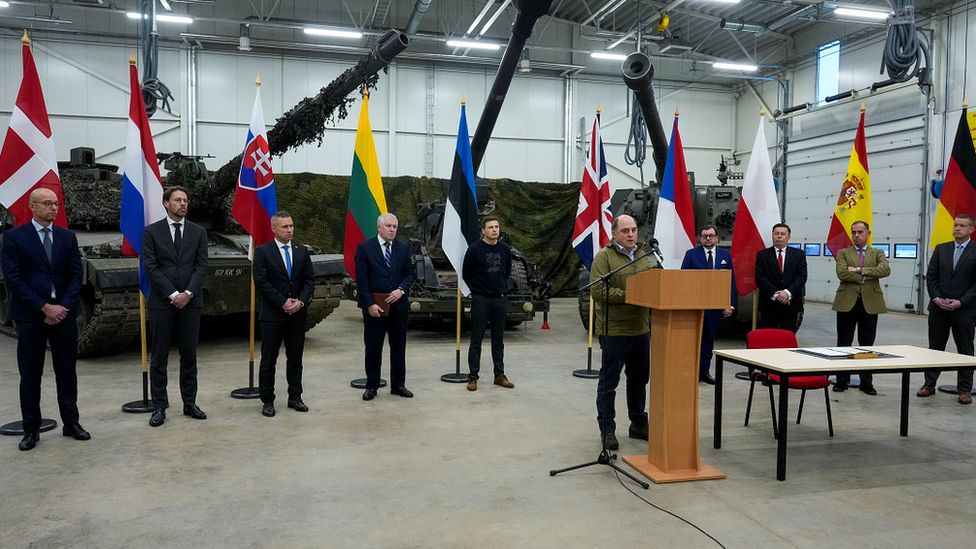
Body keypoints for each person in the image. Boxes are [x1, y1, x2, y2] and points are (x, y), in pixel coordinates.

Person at [1, 188, 89, 451]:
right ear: (32, 206)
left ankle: (71, 423)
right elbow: (13, 278)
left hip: (64, 314)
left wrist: (62, 306)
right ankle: (31, 429)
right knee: (30, 375)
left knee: (67, 372)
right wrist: (44, 307)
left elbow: (76, 275)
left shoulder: (66, 237)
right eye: (47, 204)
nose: (53, 208)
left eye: (56, 204)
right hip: (30, 316)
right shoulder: (14, 238)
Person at [142, 186, 209, 427]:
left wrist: (188, 293)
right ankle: (159, 406)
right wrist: (172, 293)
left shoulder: (198, 232)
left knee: (189, 355)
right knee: (159, 356)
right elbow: (151, 267)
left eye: (185, 200)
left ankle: (189, 403)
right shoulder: (151, 232)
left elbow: (201, 265)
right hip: (162, 302)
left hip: (191, 303)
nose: (183, 204)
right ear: (166, 203)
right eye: (177, 200)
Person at [591, 214, 656, 450]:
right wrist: (632, 296)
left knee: (639, 379)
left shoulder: (645, 255)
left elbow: (656, 283)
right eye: (625, 231)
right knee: (609, 382)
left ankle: (638, 423)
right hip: (615, 330)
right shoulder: (604, 257)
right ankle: (607, 429)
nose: (631, 235)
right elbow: (597, 290)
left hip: (641, 328)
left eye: (634, 230)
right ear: (614, 233)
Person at [253, 211, 315, 417]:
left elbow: (309, 280)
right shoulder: (263, 252)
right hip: (273, 315)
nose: (290, 230)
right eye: (285, 227)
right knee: (269, 359)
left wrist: (301, 301)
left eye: (291, 226)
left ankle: (295, 397)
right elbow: (262, 282)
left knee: (295, 358)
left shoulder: (301, 251)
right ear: (274, 229)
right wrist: (282, 302)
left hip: (297, 314)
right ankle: (267, 400)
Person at [355, 213, 415, 401]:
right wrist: (369, 304)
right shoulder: (365, 248)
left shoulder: (404, 248)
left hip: (398, 306)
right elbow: (362, 280)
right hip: (375, 308)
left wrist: (401, 290)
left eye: (394, 226)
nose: (392, 229)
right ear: (379, 227)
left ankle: (398, 385)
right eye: (388, 226)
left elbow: (409, 275)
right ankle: (372, 386)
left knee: (398, 347)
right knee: (373, 348)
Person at [917, 214, 976, 405]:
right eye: (955, 225)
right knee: (935, 348)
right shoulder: (942, 249)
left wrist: (961, 302)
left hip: (964, 310)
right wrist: (936, 298)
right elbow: (931, 276)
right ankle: (929, 385)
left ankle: (965, 390)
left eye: (962, 226)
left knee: (965, 350)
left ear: (971, 230)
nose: (957, 228)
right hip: (939, 309)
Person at [831, 221, 890, 395]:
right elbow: (841, 273)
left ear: (868, 233)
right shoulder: (843, 253)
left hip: (870, 303)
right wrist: (869, 273)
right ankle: (842, 380)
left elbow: (885, 270)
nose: (857, 235)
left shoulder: (877, 252)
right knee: (843, 343)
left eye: (860, 232)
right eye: (854, 232)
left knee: (867, 345)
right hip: (846, 302)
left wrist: (859, 270)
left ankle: (866, 382)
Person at [462, 216, 515, 392]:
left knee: (498, 339)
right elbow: (466, 274)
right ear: (483, 230)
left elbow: (506, 272)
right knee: (476, 339)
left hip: (499, 298)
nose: (494, 230)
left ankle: (499, 375)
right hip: (481, 299)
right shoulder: (474, 250)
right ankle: (472, 376)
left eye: (497, 227)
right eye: (491, 227)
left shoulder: (505, 250)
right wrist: (479, 290)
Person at [680, 224, 736, 385]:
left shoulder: (725, 255)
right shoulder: (691, 255)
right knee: (692, 341)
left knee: (708, 341)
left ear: (717, 238)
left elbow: (730, 282)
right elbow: (683, 280)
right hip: (694, 306)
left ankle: (704, 372)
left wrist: (729, 304)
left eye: (711, 235)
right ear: (700, 238)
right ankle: (690, 372)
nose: (708, 238)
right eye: (705, 236)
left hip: (714, 307)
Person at [755, 223, 807, 332]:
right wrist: (777, 294)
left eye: (783, 234)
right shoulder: (762, 255)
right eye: (776, 233)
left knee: (787, 339)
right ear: (772, 235)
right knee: (768, 339)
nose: (779, 236)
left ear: (788, 236)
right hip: (769, 304)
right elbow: (760, 277)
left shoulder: (799, 254)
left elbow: (802, 277)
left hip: (791, 304)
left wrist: (787, 293)